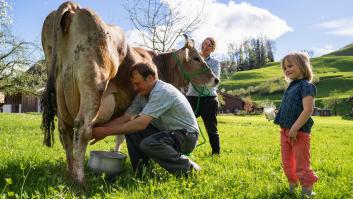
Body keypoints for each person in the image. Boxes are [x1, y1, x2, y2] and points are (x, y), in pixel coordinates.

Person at [90, 61, 201, 176]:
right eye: (134, 84)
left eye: (138, 83)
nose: (136, 88)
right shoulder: (142, 96)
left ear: (150, 78)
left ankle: (189, 169)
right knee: (131, 130)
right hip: (168, 133)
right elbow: (126, 118)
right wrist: (101, 129)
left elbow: (141, 124)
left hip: (186, 136)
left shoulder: (161, 91)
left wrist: (105, 132)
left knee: (148, 143)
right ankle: (142, 171)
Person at [274, 52, 318, 197]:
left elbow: (308, 110)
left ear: (303, 66)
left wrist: (294, 128)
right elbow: (290, 107)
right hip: (285, 132)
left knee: (301, 164)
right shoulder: (291, 86)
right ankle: (292, 188)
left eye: (290, 66)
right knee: (287, 163)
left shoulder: (306, 86)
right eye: (285, 68)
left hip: (299, 132)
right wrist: (276, 114)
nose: (287, 70)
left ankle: (307, 191)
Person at [186, 37, 221, 155]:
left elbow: (214, 81)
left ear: (213, 49)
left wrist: (200, 68)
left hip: (209, 99)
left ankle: (216, 153)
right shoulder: (191, 59)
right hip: (192, 97)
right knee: (185, 124)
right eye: (204, 44)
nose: (205, 47)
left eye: (209, 45)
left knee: (211, 128)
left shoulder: (215, 63)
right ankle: (182, 150)